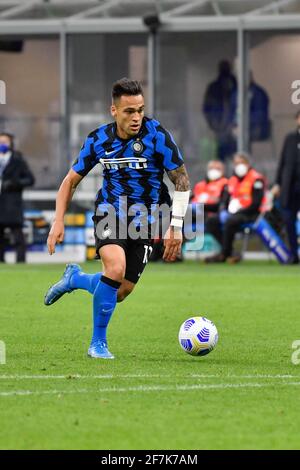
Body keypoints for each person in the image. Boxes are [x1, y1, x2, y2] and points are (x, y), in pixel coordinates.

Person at [44, 78, 191, 359]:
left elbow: (181, 181)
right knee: (114, 269)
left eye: (140, 110)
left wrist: (176, 225)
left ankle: (75, 278)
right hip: (110, 211)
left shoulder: (157, 135)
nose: (136, 117)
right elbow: (70, 181)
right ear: (114, 110)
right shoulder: (98, 139)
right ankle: (97, 344)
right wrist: (58, 220)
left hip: (148, 218)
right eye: (129, 111)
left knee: (120, 291)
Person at [205, 152, 265, 263]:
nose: (239, 166)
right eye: (236, 163)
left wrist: (239, 211)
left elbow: (256, 204)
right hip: (233, 214)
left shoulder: (256, 179)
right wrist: (224, 210)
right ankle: (230, 252)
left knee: (230, 221)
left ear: (248, 164)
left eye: (242, 163)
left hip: (250, 214)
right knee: (211, 221)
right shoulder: (232, 180)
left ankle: (224, 254)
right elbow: (225, 201)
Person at [0, 132, 35, 263]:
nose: (2, 145)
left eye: (4, 142)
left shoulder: (18, 160)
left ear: (11, 144)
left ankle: (21, 261)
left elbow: (30, 180)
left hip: (12, 204)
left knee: (17, 235)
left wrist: (14, 184)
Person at [271, 110, 300, 264]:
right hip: (290, 188)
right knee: (288, 219)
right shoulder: (290, 139)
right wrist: (277, 183)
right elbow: (282, 163)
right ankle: (293, 254)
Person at [203, 60, 237, 161]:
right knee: (221, 151)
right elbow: (207, 107)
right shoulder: (214, 87)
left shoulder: (235, 86)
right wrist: (213, 124)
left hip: (232, 124)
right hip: (220, 124)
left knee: (234, 151)